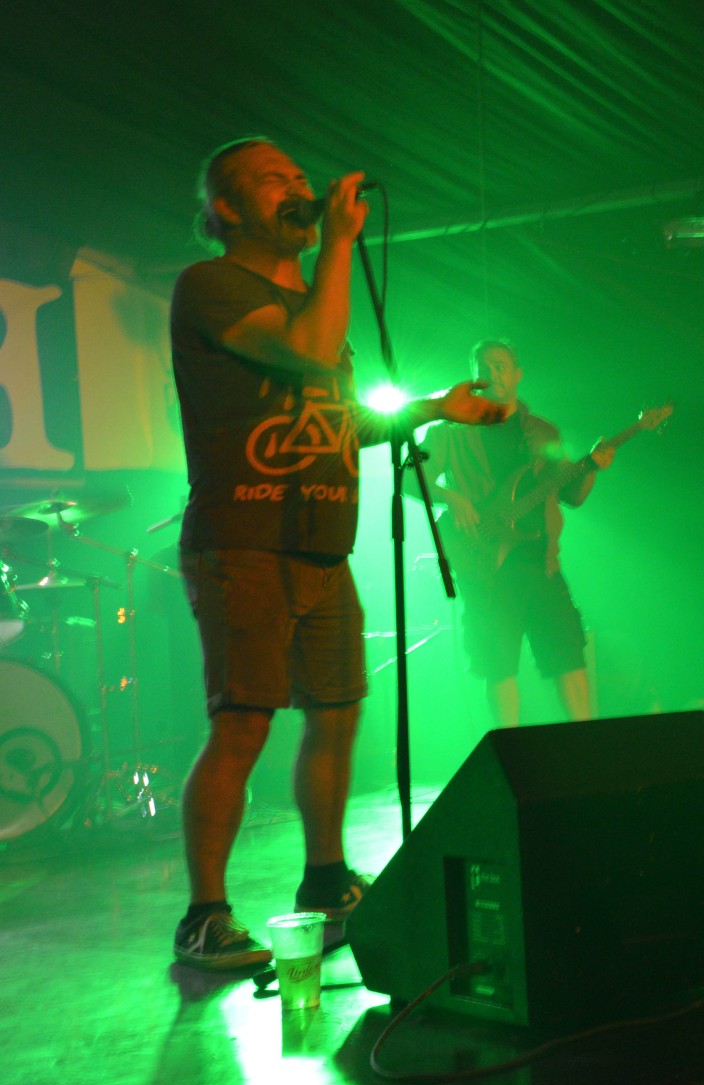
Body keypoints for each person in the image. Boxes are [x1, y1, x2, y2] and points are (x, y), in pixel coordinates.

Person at [169, 137, 511, 970]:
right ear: (225, 210)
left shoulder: (318, 304)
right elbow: (310, 352)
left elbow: (339, 420)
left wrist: (435, 408)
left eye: (297, 173)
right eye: (270, 180)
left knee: (337, 712)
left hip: (322, 544)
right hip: (243, 543)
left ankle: (325, 880)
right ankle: (204, 915)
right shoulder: (212, 285)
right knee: (243, 724)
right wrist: (339, 246)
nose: (296, 185)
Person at [417, 338, 611, 728]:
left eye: (501, 366)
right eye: (484, 367)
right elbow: (411, 477)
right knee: (498, 663)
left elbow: (571, 494)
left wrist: (592, 467)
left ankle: (587, 741)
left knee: (568, 654)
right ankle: (508, 748)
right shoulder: (450, 431)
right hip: (484, 562)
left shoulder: (541, 432)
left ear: (518, 374)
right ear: (474, 375)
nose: (493, 373)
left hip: (541, 561)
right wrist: (451, 497)